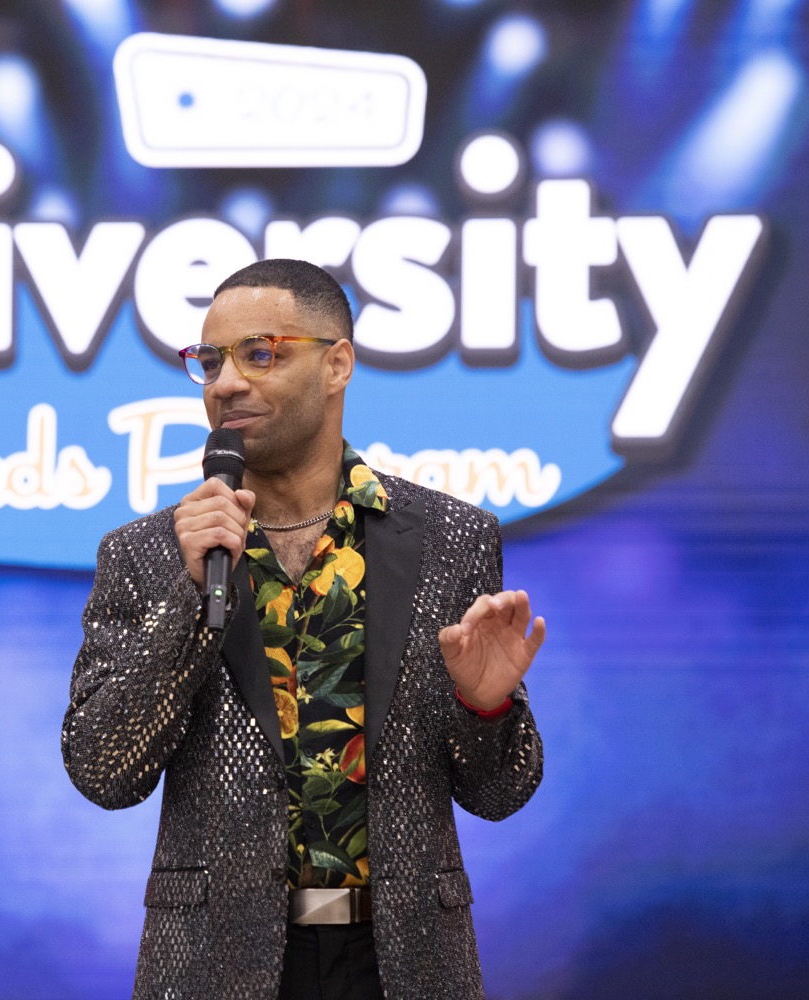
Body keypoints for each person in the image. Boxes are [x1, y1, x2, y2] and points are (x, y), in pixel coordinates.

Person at [62, 259, 545, 1000]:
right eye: (211, 361)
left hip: (402, 965)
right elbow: (103, 771)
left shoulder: (451, 540)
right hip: (212, 966)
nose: (226, 384)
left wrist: (484, 706)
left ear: (337, 364)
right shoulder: (146, 554)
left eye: (262, 353)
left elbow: (501, 792)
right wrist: (188, 599)